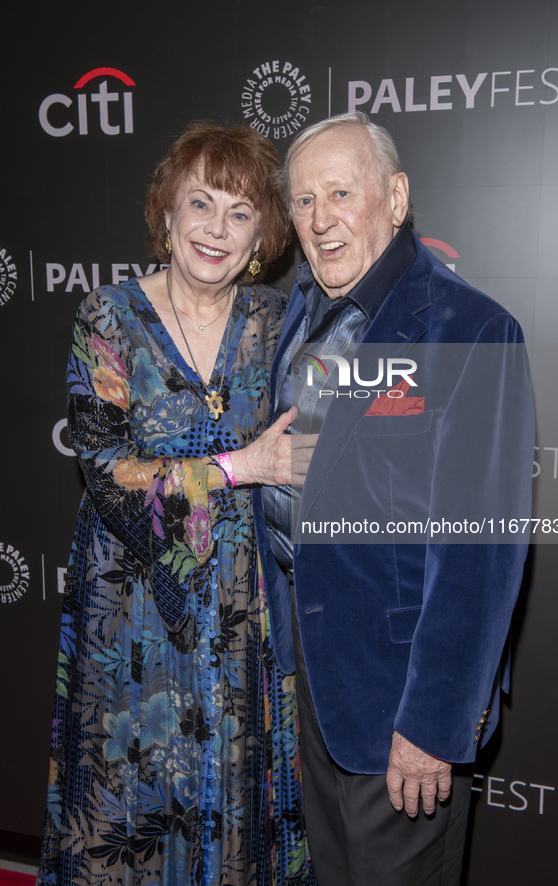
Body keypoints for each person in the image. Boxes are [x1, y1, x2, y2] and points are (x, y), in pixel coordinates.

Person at [252, 112, 535, 885]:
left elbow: (480, 551)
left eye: (340, 192)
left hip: (402, 700)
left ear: (396, 197)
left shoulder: (468, 330)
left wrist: (432, 725)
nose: (319, 219)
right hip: (316, 679)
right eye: (303, 200)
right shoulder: (304, 316)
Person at [38, 122, 317, 886]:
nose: (217, 230)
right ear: (167, 216)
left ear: (263, 231)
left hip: (240, 601)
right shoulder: (109, 317)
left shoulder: (273, 323)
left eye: (239, 212)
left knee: (234, 789)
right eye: (201, 204)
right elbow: (105, 470)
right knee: (130, 800)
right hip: (131, 601)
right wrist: (237, 466)